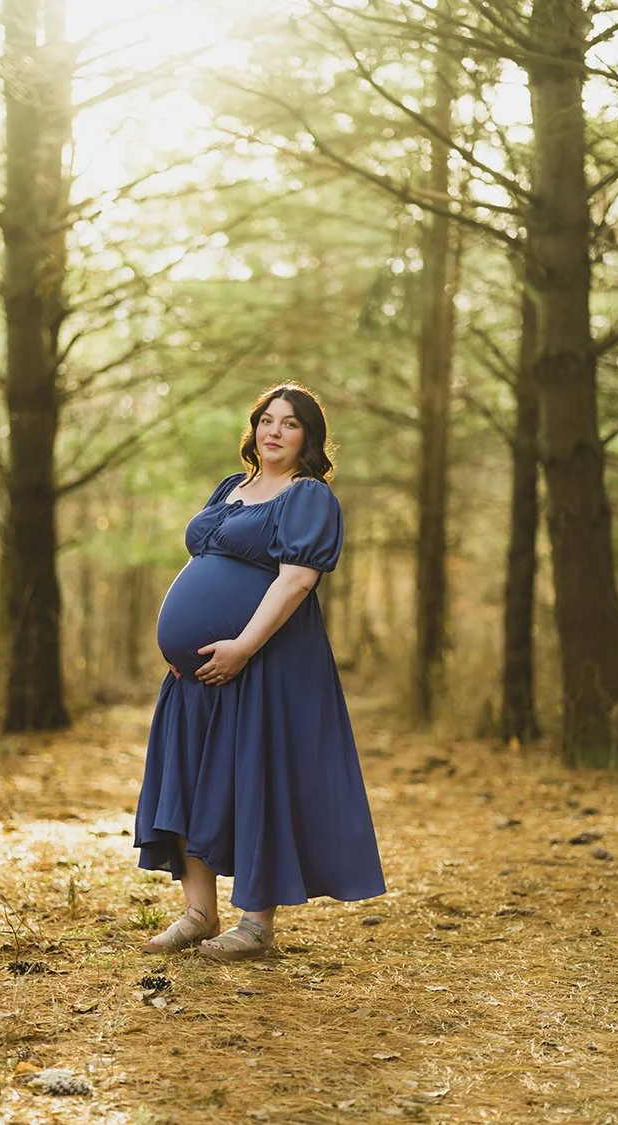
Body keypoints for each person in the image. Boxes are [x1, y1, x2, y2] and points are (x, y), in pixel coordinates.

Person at [134, 383, 385, 962]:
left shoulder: (308, 497)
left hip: (263, 661)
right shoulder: (232, 489)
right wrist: (181, 645)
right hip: (196, 674)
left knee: (254, 777)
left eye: (291, 423)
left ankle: (255, 925)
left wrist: (243, 646)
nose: (275, 431)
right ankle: (199, 913)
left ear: (309, 437)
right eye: (267, 420)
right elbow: (206, 560)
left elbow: (296, 580)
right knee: (193, 779)